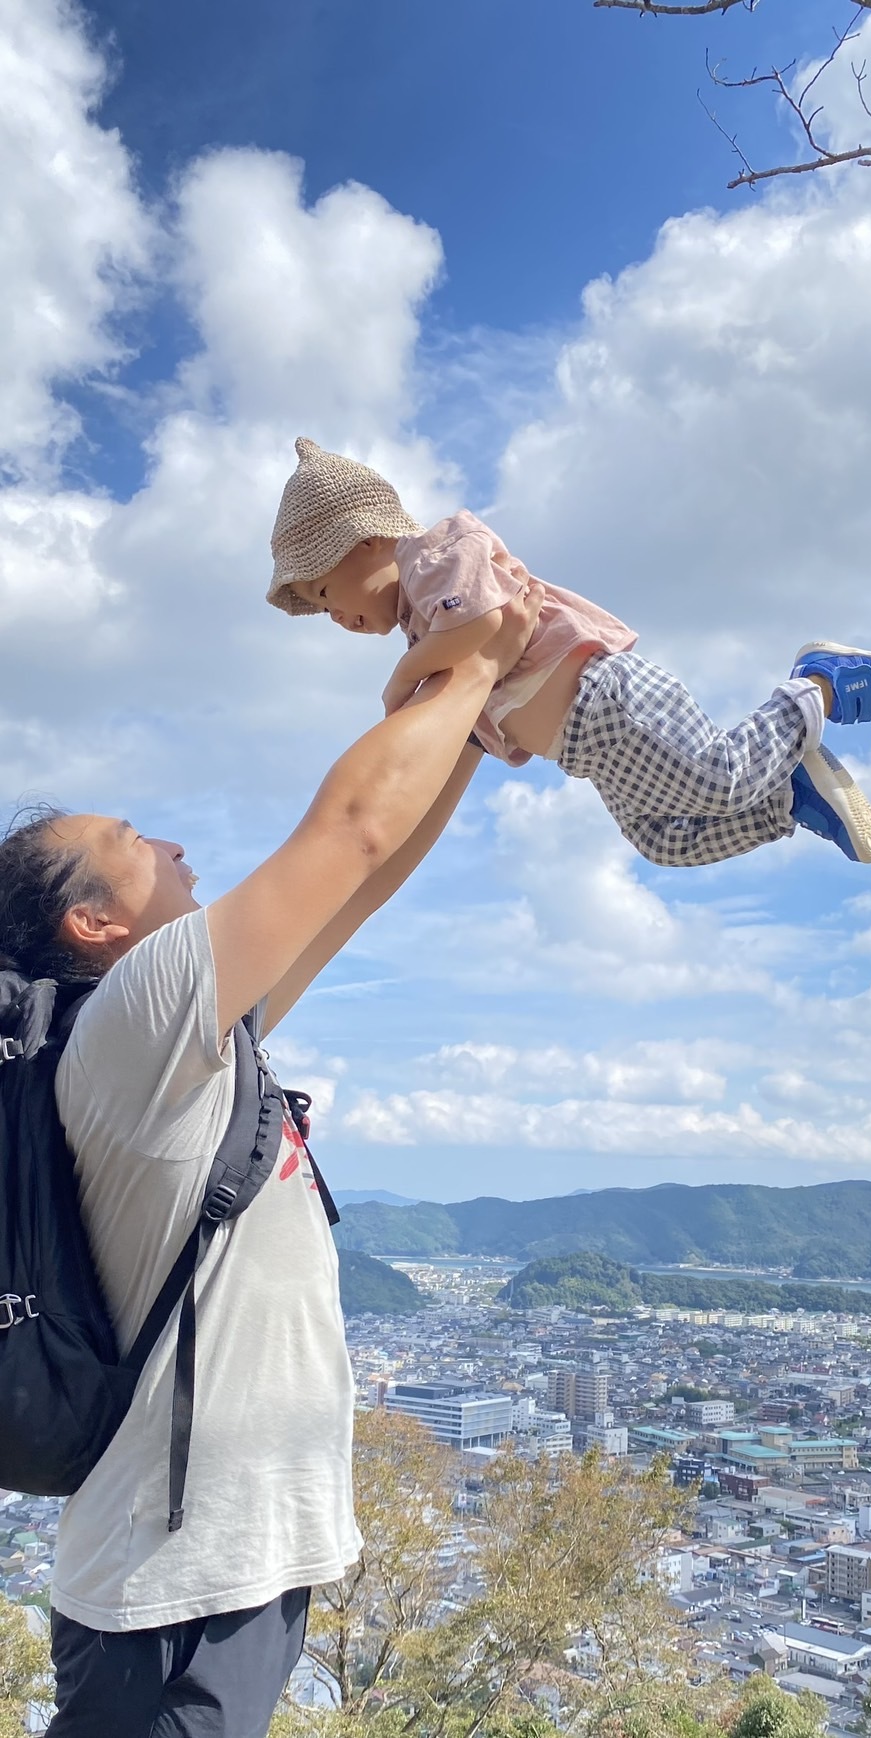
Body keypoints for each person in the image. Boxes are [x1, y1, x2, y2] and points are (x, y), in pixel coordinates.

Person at [0, 585, 540, 1738]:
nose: (177, 842)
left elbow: (361, 880)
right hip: (170, 1593)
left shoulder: (183, 1049)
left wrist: (469, 725)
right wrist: (480, 663)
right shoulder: (131, 1025)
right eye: (133, 842)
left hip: (227, 1572)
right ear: (92, 924)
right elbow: (344, 829)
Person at [268, 438, 871, 869]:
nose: (334, 617)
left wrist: (403, 682)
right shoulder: (420, 626)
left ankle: (824, 684)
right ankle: (789, 795)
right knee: (664, 841)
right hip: (589, 754)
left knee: (717, 777)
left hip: (607, 697)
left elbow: (485, 626)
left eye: (325, 593)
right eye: (322, 612)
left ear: (365, 541)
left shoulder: (433, 555)